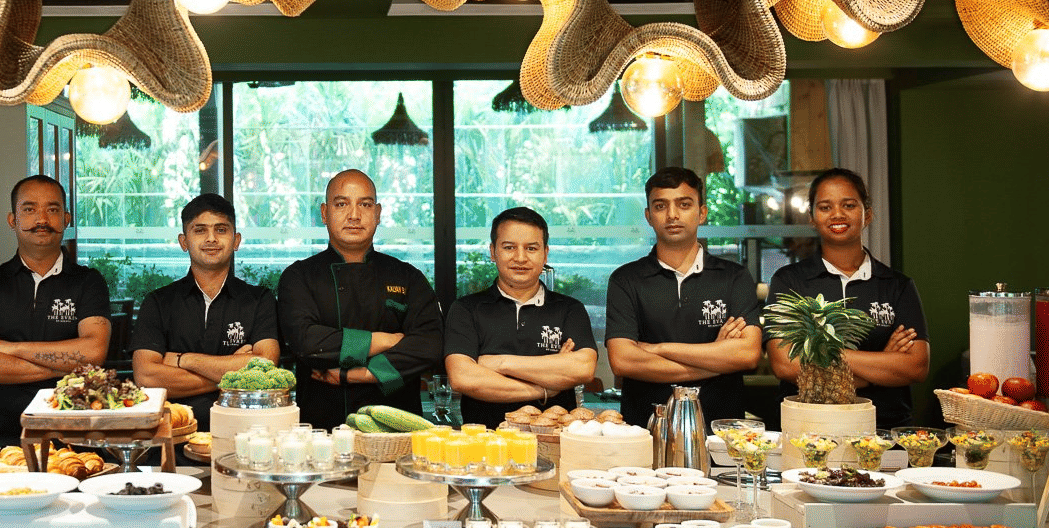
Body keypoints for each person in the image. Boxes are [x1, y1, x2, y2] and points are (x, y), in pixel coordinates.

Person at [277, 169, 443, 429]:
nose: (354, 215)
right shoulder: (299, 277)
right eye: (341, 204)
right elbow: (308, 344)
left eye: (364, 204)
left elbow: (429, 347)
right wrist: (387, 340)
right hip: (322, 429)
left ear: (377, 214)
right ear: (324, 213)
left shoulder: (407, 277)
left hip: (396, 429)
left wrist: (357, 375)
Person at [765, 167, 928, 428]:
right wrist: (882, 363)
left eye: (849, 205)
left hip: (883, 429)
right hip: (808, 426)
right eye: (825, 207)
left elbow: (915, 366)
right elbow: (784, 364)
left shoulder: (897, 285)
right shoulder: (789, 281)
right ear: (812, 218)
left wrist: (825, 355)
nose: (837, 214)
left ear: (867, 215)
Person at [0, 175, 111, 447]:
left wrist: (11, 349)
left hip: (74, 435)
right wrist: (63, 370)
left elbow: (94, 354)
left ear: (65, 219)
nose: (42, 219)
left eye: (52, 210)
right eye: (29, 209)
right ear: (12, 220)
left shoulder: (89, 282)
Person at [605, 167, 762, 425]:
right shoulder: (626, 280)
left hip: (720, 431)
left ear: (702, 213)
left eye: (684, 204)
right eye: (660, 206)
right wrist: (717, 357)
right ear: (648, 216)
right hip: (644, 429)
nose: (672, 215)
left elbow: (747, 354)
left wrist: (660, 349)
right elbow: (623, 361)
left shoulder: (734, 277)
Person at [131, 194, 280, 430]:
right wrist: (236, 367)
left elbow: (265, 365)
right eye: (200, 230)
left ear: (236, 240)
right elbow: (146, 377)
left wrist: (182, 360)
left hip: (247, 434)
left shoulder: (259, 300)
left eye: (221, 230)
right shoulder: (159, 302)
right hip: (174, 435)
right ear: (184, 241)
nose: (211, 238)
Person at [444, 207, 598, 427]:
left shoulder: (569, 309)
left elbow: (582, 368)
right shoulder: (466, 309)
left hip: (555, 441)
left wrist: (498, 362)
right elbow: (463, 378)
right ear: (493, 251)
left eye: (531, 248)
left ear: (545, 253)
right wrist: (545, 389)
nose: (520, 257)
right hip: (484, 443)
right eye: (509, 247)